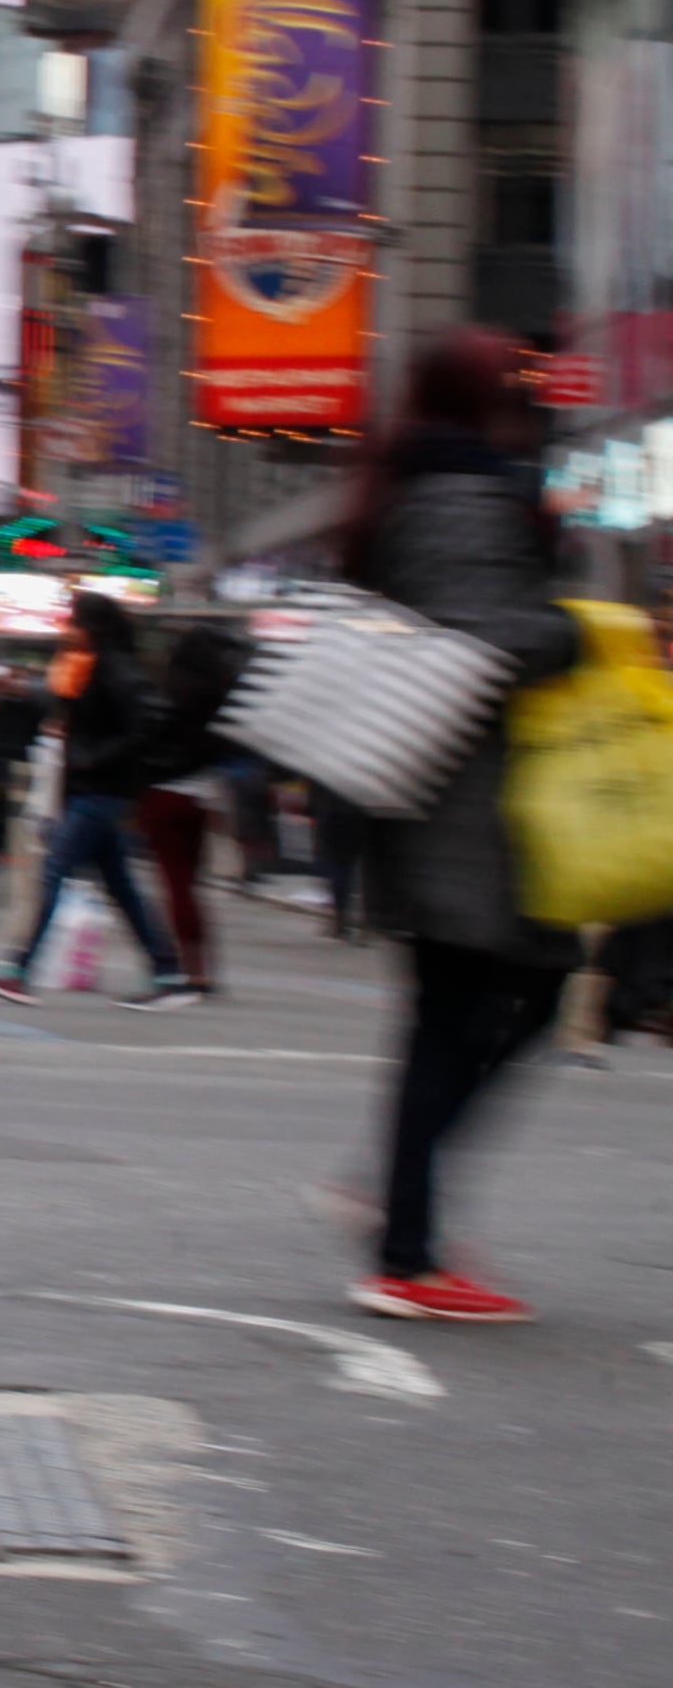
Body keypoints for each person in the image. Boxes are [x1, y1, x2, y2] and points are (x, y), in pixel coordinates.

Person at [330, 327, 580, 1323]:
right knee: (516, 998)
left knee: (461, 1013)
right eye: (512, 378)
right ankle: (403, 1245)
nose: (528, 391)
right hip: (470, 806)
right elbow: (492, 637)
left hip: (434, 792)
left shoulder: (406, 486)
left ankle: (400, 1212)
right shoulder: (468, 496)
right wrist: (575, 626)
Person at [0, 590, 197, 1009]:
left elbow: (146, 724)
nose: (68, 629)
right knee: (121, 886)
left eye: (75, 622)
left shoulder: (118, 670)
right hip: (92, 790)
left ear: (95, 627)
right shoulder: (89, 666)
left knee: (54, 872)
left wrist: (92, 757)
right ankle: (168, 971)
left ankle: (18, 970)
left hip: (102, 792)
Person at [136, 621, 254, 999]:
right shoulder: (220, 696)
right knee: (191, 887)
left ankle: (188, 970)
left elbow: (151, 744)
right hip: (202, 797)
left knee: (175, 888)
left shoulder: (171, 691)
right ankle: (202, 967)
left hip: (165, 796)